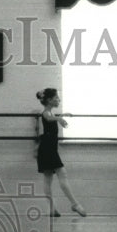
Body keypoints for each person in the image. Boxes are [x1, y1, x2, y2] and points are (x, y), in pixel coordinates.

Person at [35, 88, 86, 217]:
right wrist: (59, 118)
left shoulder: (51, 114)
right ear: (50, 100)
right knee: (61, 174)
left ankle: (52, 209)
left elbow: (51, 119)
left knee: (48, 178)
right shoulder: (46, 113)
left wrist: (60, 117)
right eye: (57, 98)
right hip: (47, 149)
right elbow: (48, 118)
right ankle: (75, 204)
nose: (59, 100)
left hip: (48, 149)